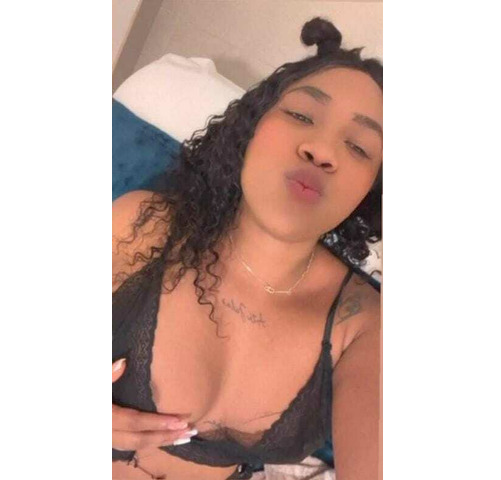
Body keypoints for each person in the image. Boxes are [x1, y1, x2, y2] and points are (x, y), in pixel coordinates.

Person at [112, 17, 382, 480]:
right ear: (251, 127)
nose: (322, 151)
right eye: (301, 115)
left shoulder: (363, 326)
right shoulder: (141, 226)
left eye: (359, 147)